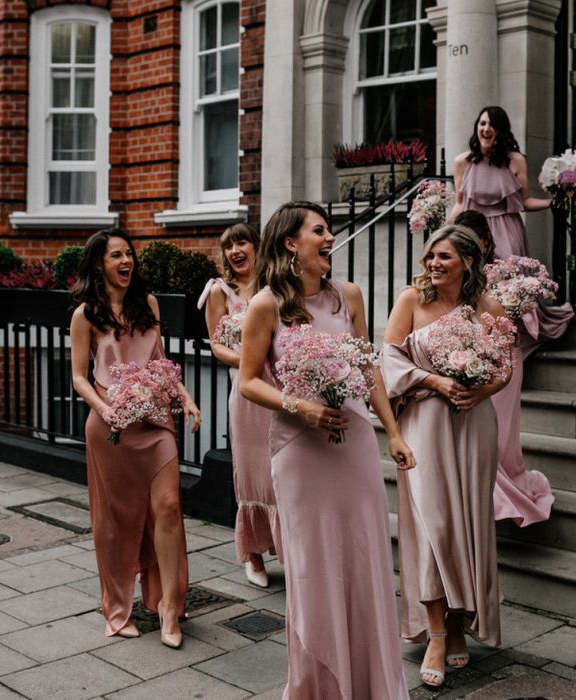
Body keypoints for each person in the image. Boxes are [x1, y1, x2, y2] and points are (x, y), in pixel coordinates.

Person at [239, 201, 414, 699]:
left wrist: (394, 433)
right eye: (320, 230)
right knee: (314, 568)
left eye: (330, 229)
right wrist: (302, 407)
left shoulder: (349, 296)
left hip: (353, 444)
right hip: (299, 451)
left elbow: (368, 369)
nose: (330, 236)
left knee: (364, 561)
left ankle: (371, 686)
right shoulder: (265, 305)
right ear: (291, 243)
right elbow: (249, 381)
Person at [382, 225, 511, 688]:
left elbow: (504, 368)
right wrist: (435, 381)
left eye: (444, 257)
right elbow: (389, 360)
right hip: (424, 424)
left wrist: (479, 392)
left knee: (466, 525)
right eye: (430, 256)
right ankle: (435, 632)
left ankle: (459, 625)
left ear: (468, 263)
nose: (434, 264)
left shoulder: (487, 308)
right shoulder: (410, 302)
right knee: (432, 523)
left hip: (472, 426)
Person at [70, 229, 200, 648]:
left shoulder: (149, 304)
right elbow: (77, 375)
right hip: (110, 426)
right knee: (115, 521)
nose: (126, 261)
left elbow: (159, 360)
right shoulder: (85, 315)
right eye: (116, 256)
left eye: (129, 254)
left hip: (156, 420)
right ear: (98, 265)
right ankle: (117, 607)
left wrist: (186, 396)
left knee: (168, 506)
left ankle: (168, 608)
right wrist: (104, 409)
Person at [448, 105, 573, 357]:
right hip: (473, 229)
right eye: (482, 123)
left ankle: (513, 341)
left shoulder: (516, 161)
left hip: (506, 229)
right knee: (473, 285)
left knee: (508, 287)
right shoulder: (463, 162)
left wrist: (552, 202)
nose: (485, 128)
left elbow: (524, 202)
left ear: (500, 131)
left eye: (491, 125)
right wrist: (446, 236)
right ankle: (481, 341)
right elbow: (460, 204)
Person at [456, 210, 554, 527]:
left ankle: (504, 498)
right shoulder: (455, 273)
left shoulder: (506, 273)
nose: (466, 250)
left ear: (485, 241)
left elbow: (523, 325)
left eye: (472, 243)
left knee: (502, 436)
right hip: (469, 361)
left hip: (503, 359)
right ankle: (480, 500)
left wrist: (512, 306)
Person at [198, 223, 282, 588]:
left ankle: (287, 548)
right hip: (247, 393)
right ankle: (253, 555)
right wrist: (249, 359)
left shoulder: (274, 287)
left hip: (279, 388)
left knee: (281, 472)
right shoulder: (219, 291)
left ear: (256, 246)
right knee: (250, 472)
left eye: (241, 242)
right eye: (228, 245)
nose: (235, 250)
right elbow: (216, 345)